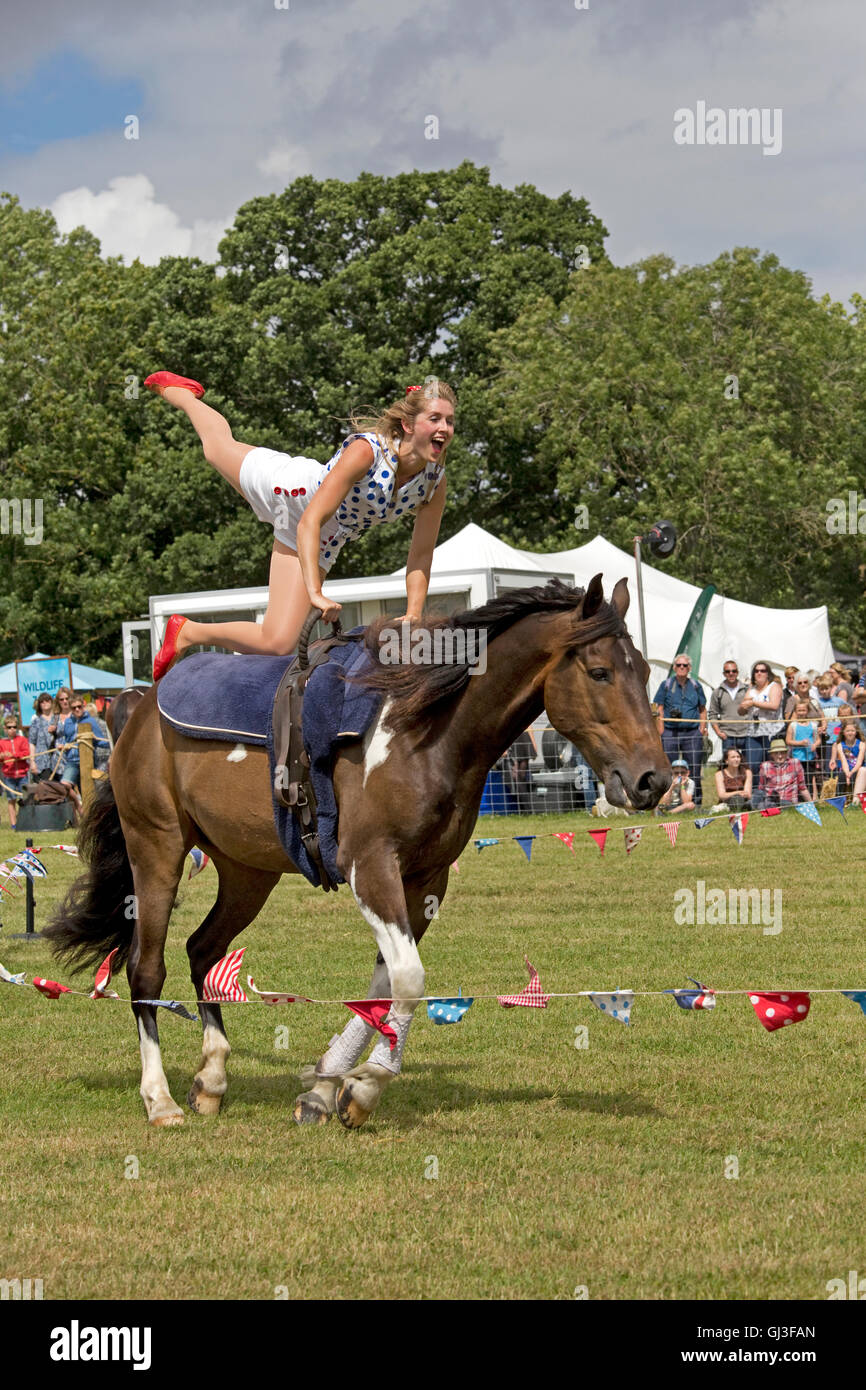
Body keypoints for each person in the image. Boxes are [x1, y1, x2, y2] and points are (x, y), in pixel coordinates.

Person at [143, 371, 455, 678]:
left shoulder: (433, 483)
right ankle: (180, 393)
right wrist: (315, 592)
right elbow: (310, 520)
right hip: (290, 495)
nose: (445, 428)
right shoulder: (367, 452)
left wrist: (414, 613)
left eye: (450, 421)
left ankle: (185, 632)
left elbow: (421, 553)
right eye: (435, 419)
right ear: (408, 424)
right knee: (215, 449)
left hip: (325, 539)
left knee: (277, 643)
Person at [654, 654, 707, 806]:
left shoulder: (696, 686)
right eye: (678, 665)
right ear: (674, 667)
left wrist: (701, 729)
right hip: (670, 731)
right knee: (669, 768)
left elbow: (702, 709)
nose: (681, 668)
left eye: (684, 665)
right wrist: (661, 730)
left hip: (691, 732)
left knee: (695, 768)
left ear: (689, 668)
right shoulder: (666, 684)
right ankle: (668, 802)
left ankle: (696, 802)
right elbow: (660, 708)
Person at [56, 696, 110, 813]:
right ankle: (78, 806)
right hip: (72, 760)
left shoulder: (90, 722)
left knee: (88, 793)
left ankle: (86, 815)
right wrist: (63, 745)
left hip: (88, 760)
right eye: (74, 707)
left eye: (79, 707)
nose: (77, 709)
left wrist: (110, 744)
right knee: (64, 785)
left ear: (83, 706)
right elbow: (67, 739)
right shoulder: (68, 722)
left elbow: (99, 739)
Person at [738, 660, 785, 776]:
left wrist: (753, 703)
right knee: (752, 765)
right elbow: (741, 711)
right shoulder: (751, 690)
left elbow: (774, 705)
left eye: (762, 671)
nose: (759, 673)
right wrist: (743, 707)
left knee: (772, 765)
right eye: (756, 671)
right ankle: (755, 791)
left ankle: (772, 792)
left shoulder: (774, 687)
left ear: (768, 673)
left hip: (772, 733)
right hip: (753, 733)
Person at [754, 737, 811, 808]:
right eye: (776, 753)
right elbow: (761, 788)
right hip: (770, 800)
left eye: (782, 753)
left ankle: (755, 806)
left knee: (781, 804)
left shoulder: (795, 763)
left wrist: (811, 804)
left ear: (787, 753)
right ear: (771, 754)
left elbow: (802, 787)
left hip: (788, 801)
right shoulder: (765, 766)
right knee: (758, 794)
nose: (780, 756)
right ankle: (751, 806)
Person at [708, 661, 748, 763]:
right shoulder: (718, 692)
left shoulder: (747, 690)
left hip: (746, 734)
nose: (731, 673)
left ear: (737, 672)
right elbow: (712, 714)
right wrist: (718, 732)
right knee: (729, 766)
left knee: (748, 765)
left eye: (734, 671)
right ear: (724, 673)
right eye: (728, 671)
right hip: (727, 735)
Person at [786, 698, 821, 798]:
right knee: (797, 778)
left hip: (810, 757)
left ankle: (808, 799)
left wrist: (815, 744)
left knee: (809, 778)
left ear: (807, 711)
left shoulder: (813, 725)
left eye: (803, 710)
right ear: (796, 712)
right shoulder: (793, 725)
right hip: (797, 758)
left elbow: (818, 740)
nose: (801, 713)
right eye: (799, 710)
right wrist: (800, 743)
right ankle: (797, 799)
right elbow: (788, 741)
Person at [0, 713, 31, 827]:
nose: (12, 729)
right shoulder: (2, 743)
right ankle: (13, 824)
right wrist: (2, 756)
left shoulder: (22, 740)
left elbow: (26, 753)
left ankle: (26, 821)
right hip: (9, 776)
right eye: (9, 727)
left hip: (23, 775)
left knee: (25, 799)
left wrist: (13, 755)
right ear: (5, 728)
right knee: (11, 800)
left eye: (14, 727)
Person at [829, 720, 865, 796]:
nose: (850, 733)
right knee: (841, 777)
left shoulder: (861, 744)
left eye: (852, 730)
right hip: (846, 769)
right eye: (847, 731)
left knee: (855, 776)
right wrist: (847, 773)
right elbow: (844, 761)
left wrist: (851, 773)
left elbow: (859, 762)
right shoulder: (840, 745)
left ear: (856, 732)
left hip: (857, 769)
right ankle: (838, 799)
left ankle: (855, 799)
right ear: (843, 732)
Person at [713, 745, 752, 812]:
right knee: (736, 799)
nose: (736, 759)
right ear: (726, 761)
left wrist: (741, 794)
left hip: (743, 799)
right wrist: (737, 793)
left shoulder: (747, 772)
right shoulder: (719, 774)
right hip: (727, 801)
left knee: (758, 793)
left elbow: (748, 793)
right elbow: (721, 795)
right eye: (733, 757)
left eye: (738, 757)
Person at [28, 692, 57, 780]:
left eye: (47, 700)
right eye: (42, 701)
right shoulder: (35, 721)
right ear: (39, 705)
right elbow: (32, 743)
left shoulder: (58, 718)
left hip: (59, 761)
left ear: (52, 702)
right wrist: (32, 762)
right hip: (42, 763)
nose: (45, 703)